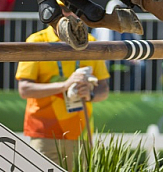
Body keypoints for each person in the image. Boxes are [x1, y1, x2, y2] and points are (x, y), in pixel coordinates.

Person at [16, 13, 110, 170]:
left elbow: (104, 89)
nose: (67, 14)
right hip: (44, 133)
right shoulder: (37, 41)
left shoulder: (90, 42)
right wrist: (65, 85)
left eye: (71, 9)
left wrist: (90, 94)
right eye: (62, 9)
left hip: (80, 133)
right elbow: (24, 89)